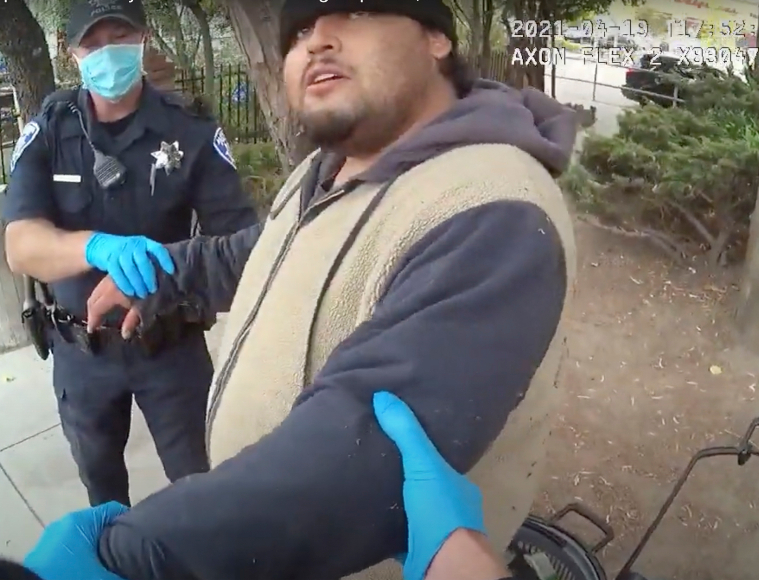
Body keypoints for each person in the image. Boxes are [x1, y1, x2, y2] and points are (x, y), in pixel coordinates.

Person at [81, 1, 579, 579]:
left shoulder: (492, 209)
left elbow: (356, 450)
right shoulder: (327, 167)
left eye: (354, 10)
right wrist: (170, 270)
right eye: (298, 31)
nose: (316, 41)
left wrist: (136, 555)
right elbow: (271, 256)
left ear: (436, 39)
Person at [0, 393, 515, 580]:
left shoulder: (181, 130)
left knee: (185, 492)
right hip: (83, 356)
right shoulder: (52, 127)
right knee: (104, 485)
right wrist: (459, 559)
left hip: (163, 353)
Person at [2, 0, 258, 508]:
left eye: (118, 39)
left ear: (143, 39)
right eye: (93, 44)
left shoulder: (191, 133)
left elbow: (244, 250)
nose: (106, 54)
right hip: (82, 351)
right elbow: (20, 245)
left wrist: (168, 278)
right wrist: (98, 246)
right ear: (72, 52)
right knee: (103, 496)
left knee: (204, 491)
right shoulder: (50, 132)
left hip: (171, 346)